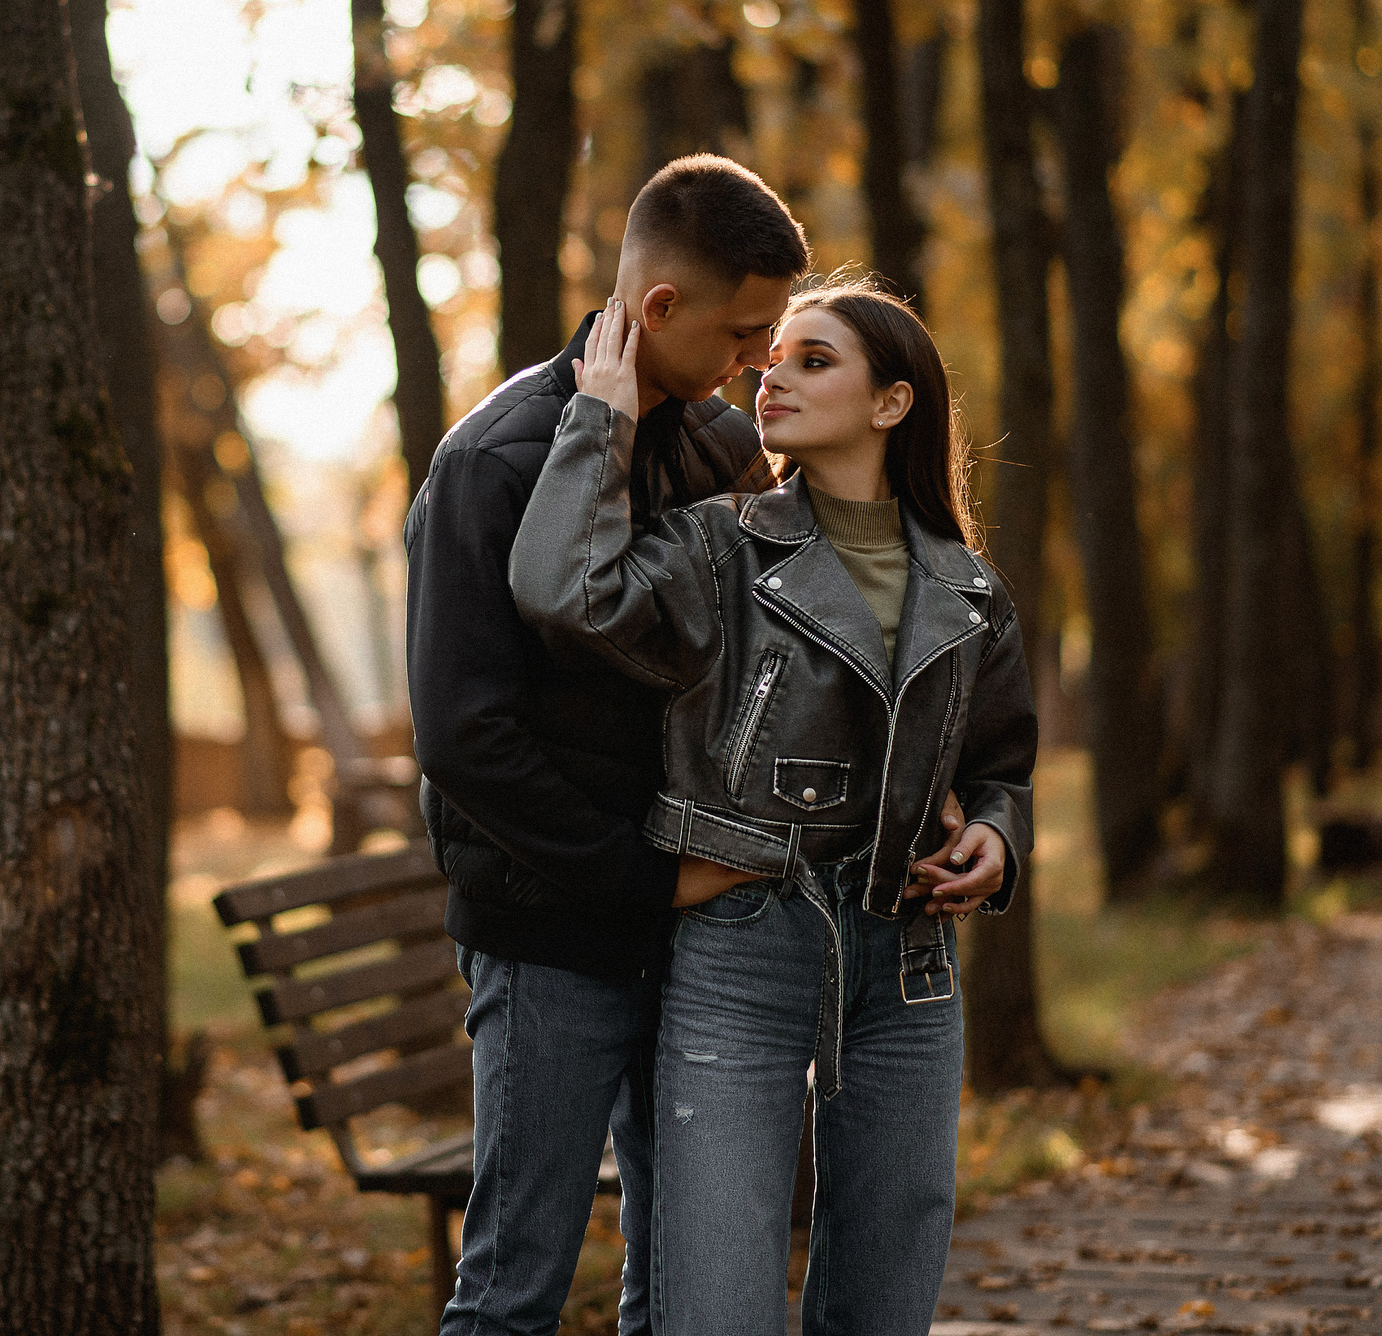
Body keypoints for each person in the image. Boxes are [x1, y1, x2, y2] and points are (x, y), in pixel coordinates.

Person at [508, 280, 1038, 1336]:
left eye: (812, 359)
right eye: (771, 357)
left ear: (891, 404)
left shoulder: (970, 589)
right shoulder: (718, 547)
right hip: (740, 945)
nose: (770, 376)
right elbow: (559, 587)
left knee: (884, 1303)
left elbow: (1000, 764)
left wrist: (994, 836)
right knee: (711, 1305)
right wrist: (597, 422)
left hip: (910, 966)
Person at [405, 155, 807, 1335]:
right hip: (551, 943)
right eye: (744, 331)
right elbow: (464, 736)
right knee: (513, 1289)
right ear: (661, 310)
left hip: (696, 938)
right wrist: (639, 881)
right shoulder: (493, 461)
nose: (755, 360)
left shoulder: (717, 443)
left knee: (676, 1282)